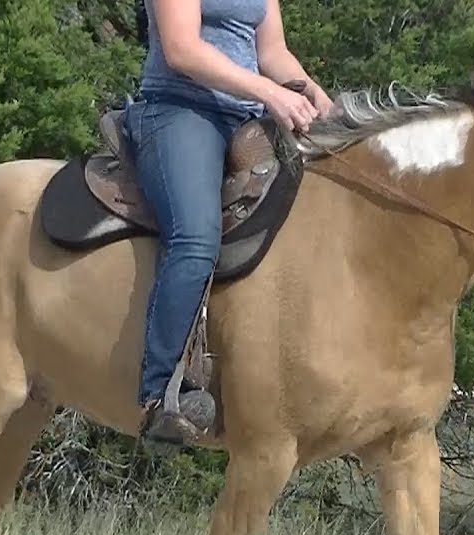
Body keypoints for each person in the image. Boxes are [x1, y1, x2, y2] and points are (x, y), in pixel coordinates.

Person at [125, 0, 335, 446]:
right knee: (196, 237)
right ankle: (162, 394)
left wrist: (315, 96)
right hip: (179, 110)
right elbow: (181, 49)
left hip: (249, 119)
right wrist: (268, 92)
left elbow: (272, 52)